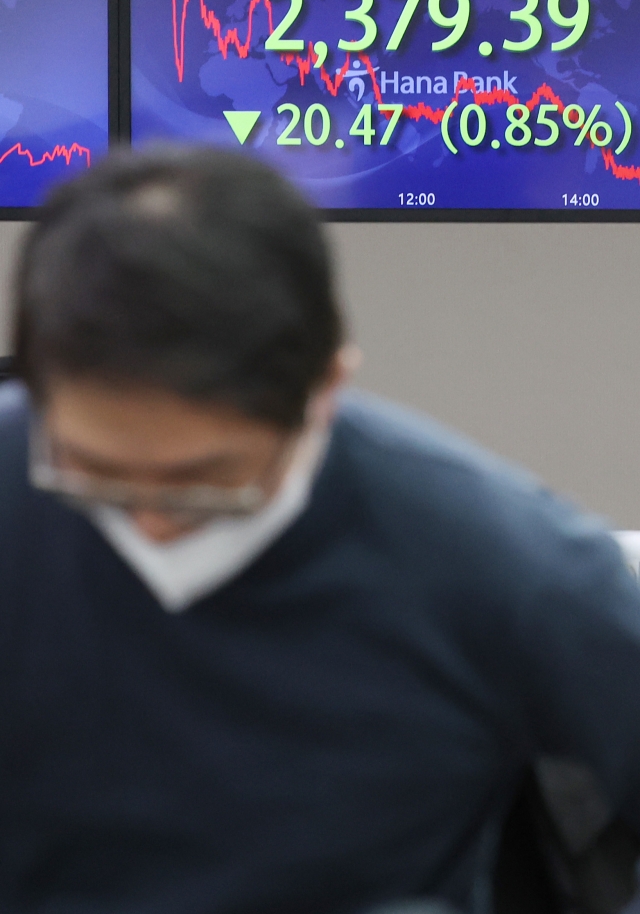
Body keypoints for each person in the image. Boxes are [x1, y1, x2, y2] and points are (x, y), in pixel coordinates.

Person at [2, 145, 640, 914]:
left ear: (325, 386)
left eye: (208, 482)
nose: (150, 519)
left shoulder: (510, 567)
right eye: (93, 473)